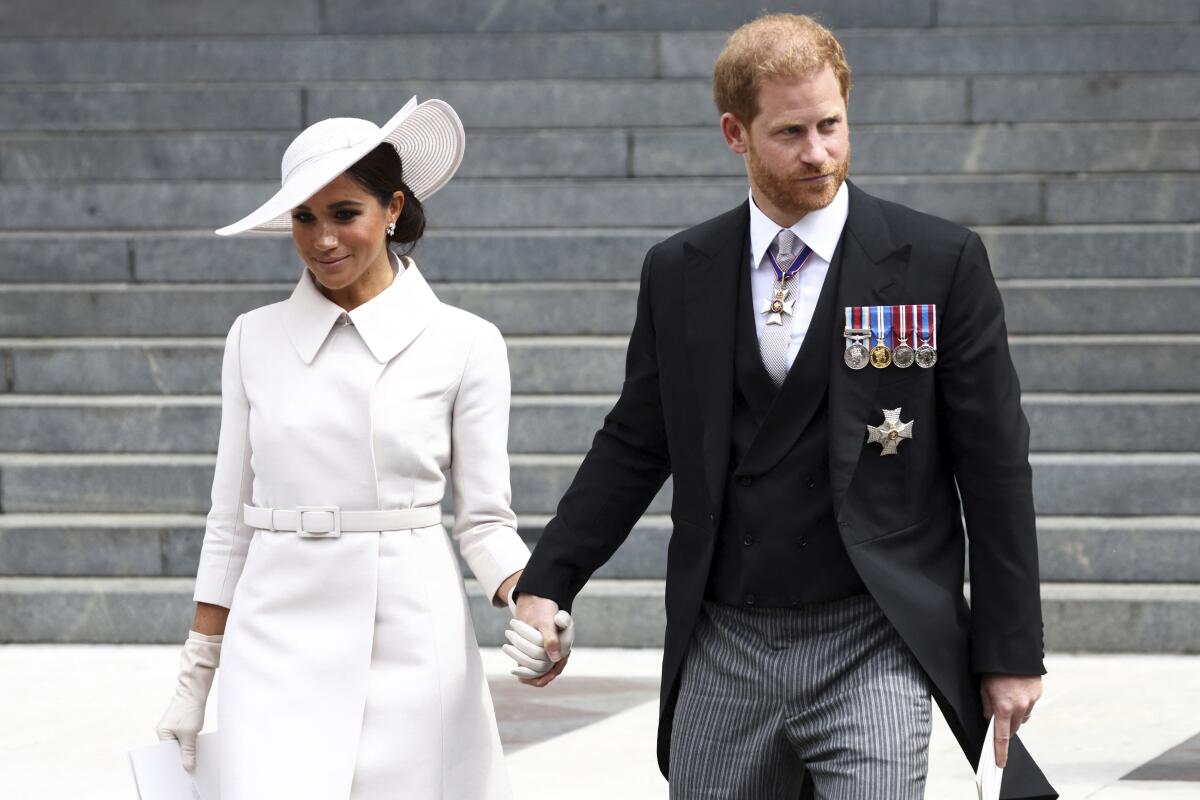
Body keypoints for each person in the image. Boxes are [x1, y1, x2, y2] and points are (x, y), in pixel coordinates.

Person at [512, 14, 1056, 800]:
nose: (819, 153)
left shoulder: (939, 262)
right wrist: (547, 581)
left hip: (875, 634)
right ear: (735, 132)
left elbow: (997, 464)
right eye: (791, 132)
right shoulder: (679, 270)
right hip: (724, 636)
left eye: (832, 124)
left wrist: (1011, 651)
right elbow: (635, 442)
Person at [154, 98, 559, 799]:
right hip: (272, 635)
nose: (322, 240)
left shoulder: (465, 341)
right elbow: (228, 520)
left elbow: (485, 522)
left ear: (393, 208)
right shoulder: (252, 337)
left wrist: (537, 605)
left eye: (345, 213)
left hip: (410, 638)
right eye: (304, 218)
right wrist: (196, 675)